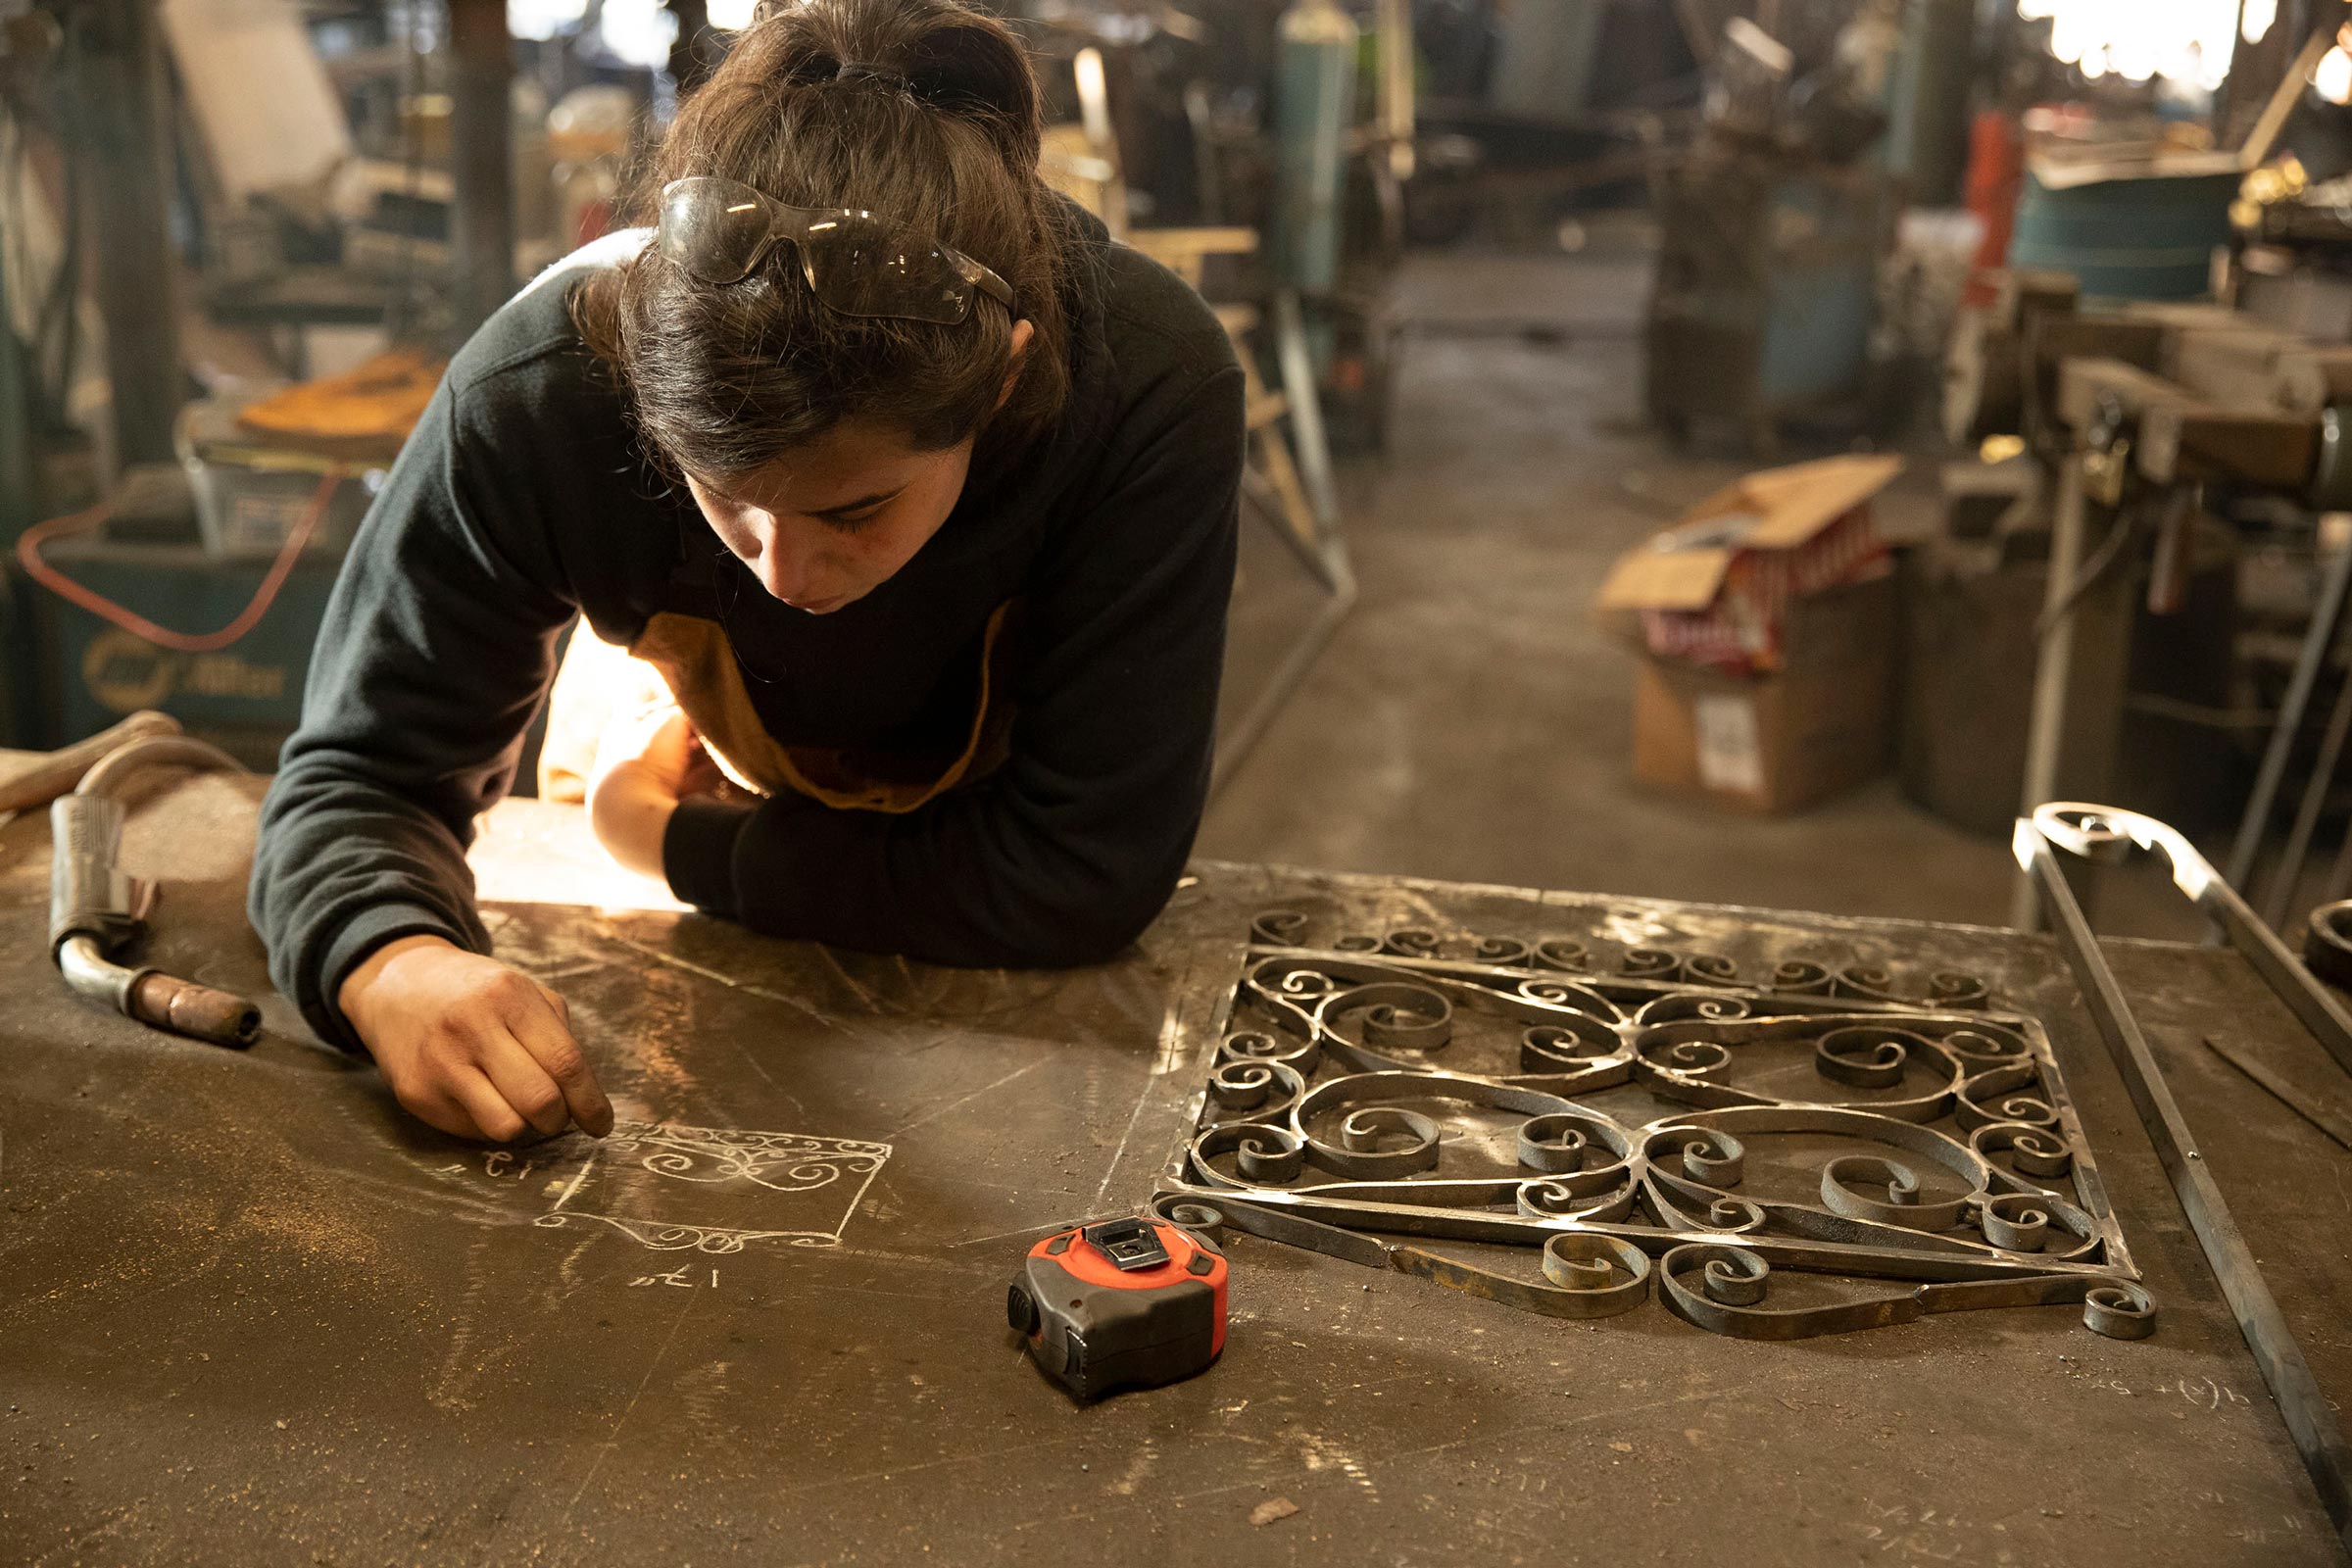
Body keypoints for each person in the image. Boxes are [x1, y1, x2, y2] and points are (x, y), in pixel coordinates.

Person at [248, 0, 1245, 1145]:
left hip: (870, 891)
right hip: (697, 771)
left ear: (1006, 385)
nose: (784, 575)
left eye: (855, 510)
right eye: (725, 501)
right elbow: (356, 779)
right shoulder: (540, 393)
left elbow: (1080, 871)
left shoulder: (1148, 394)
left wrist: (664, 842)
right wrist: (390, 959)